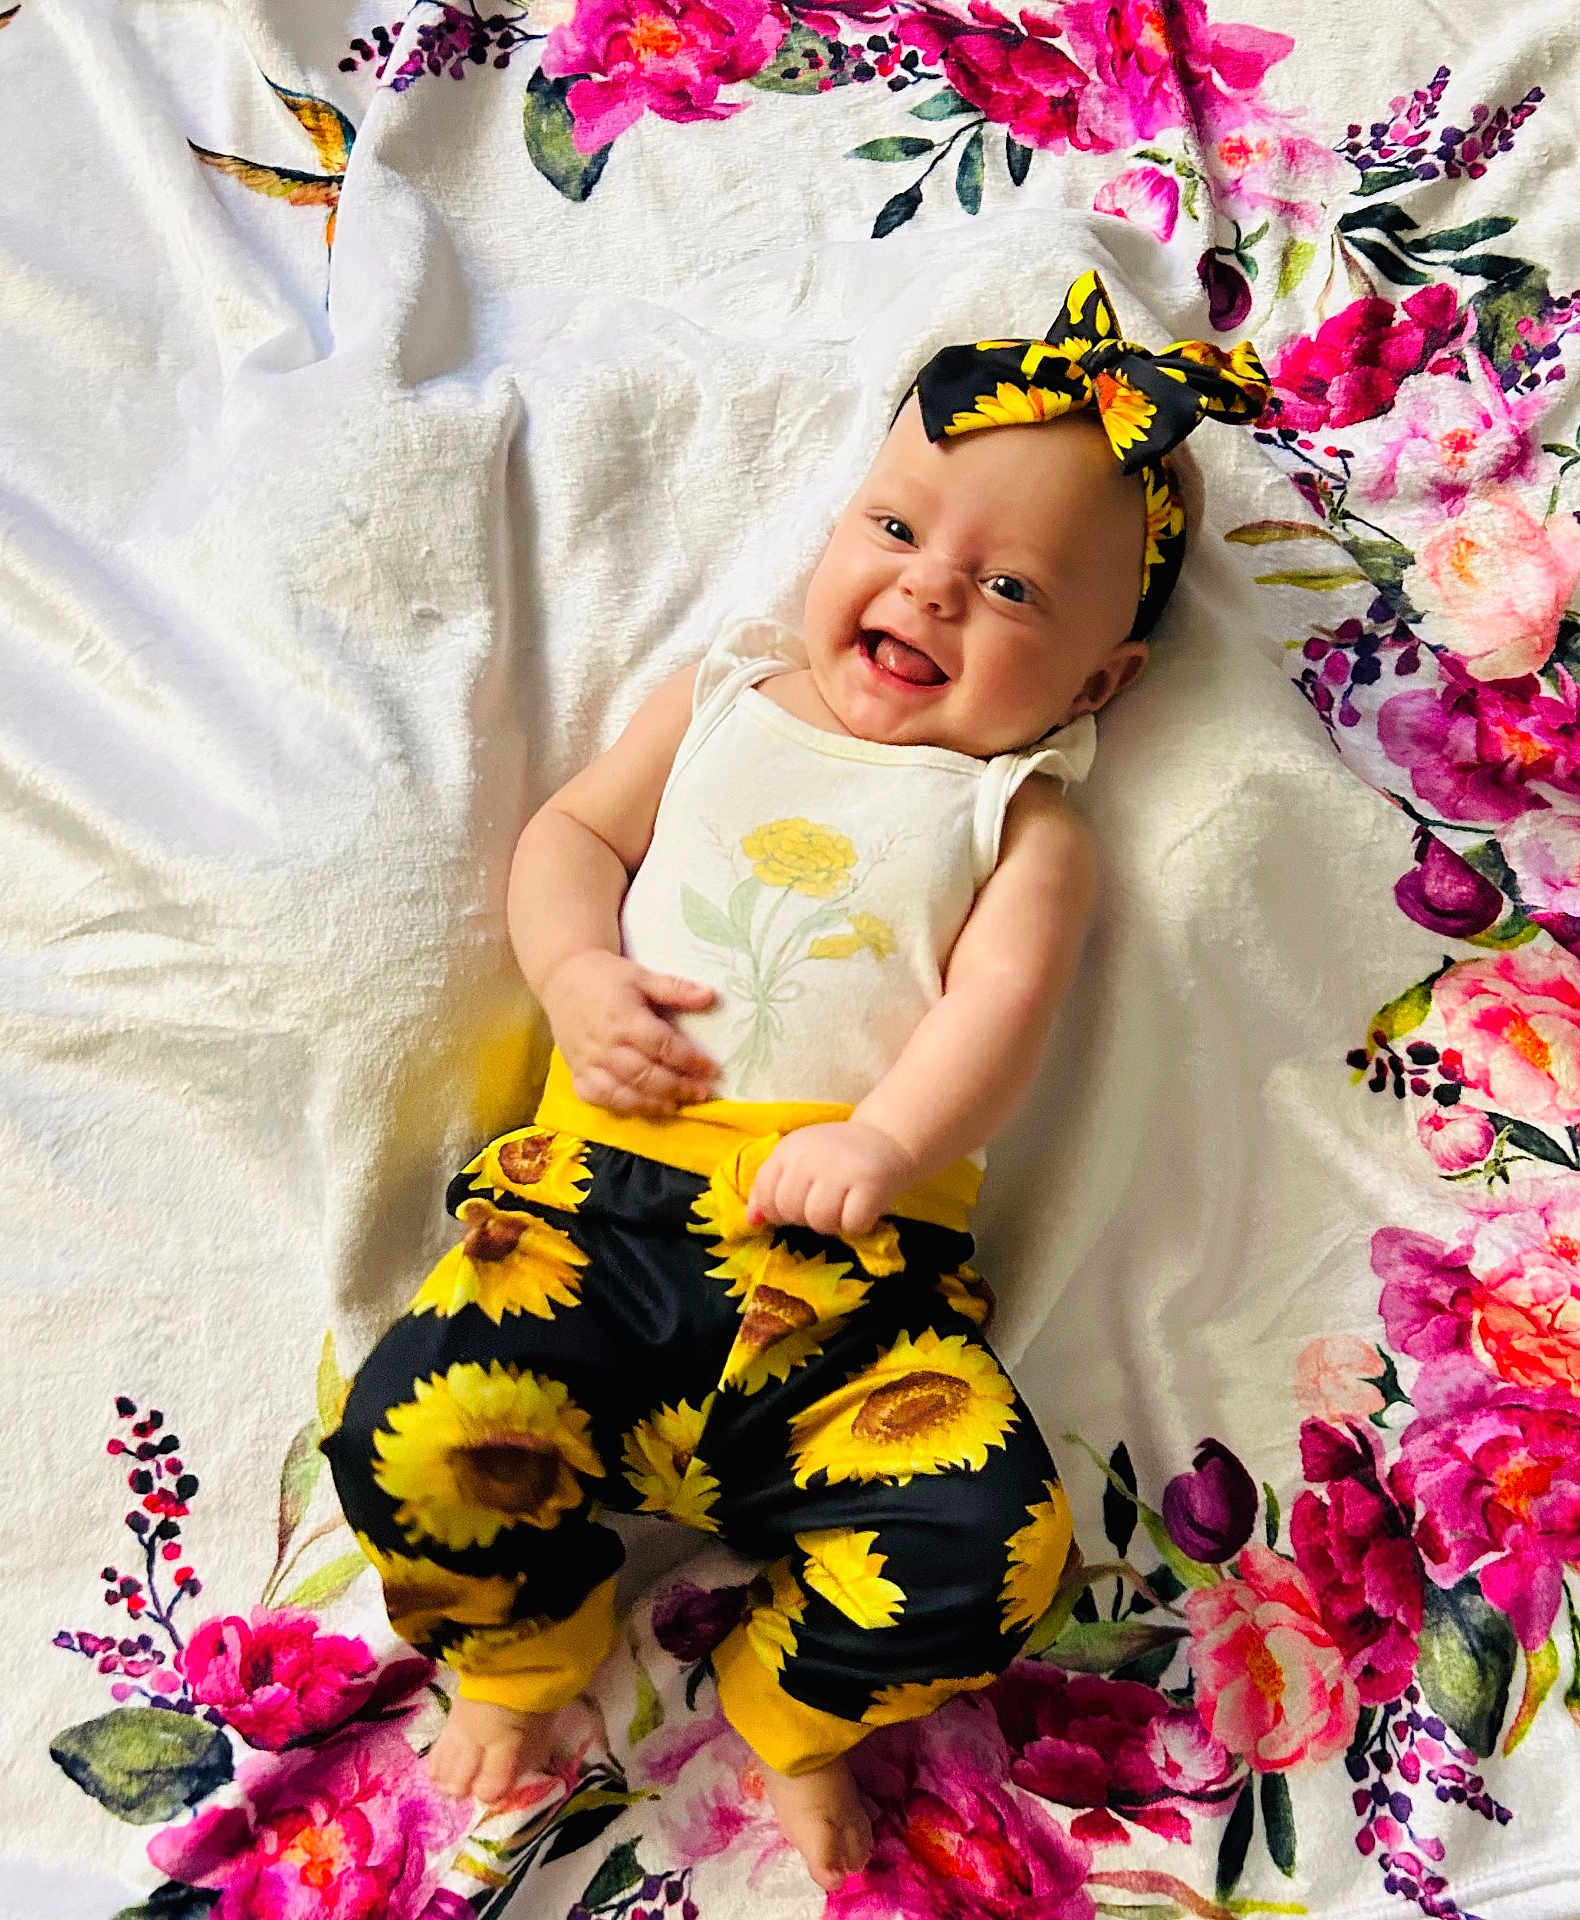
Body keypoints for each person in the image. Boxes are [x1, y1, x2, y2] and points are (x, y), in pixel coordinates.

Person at [321, 270, 1269, 1893]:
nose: (935, 593)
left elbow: (1003, 1007)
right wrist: (574, 973)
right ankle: (530, 1640)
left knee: (998, 1551)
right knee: (406, 1426)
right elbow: (569, 839)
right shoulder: (718, 700)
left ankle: (793, 1698)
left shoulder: (1019, 820)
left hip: (851, 1297)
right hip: (591, 1228)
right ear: (836, 532)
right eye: (897, 532)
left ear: (1100, 685)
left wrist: (891, 1135)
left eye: (1018, 588)